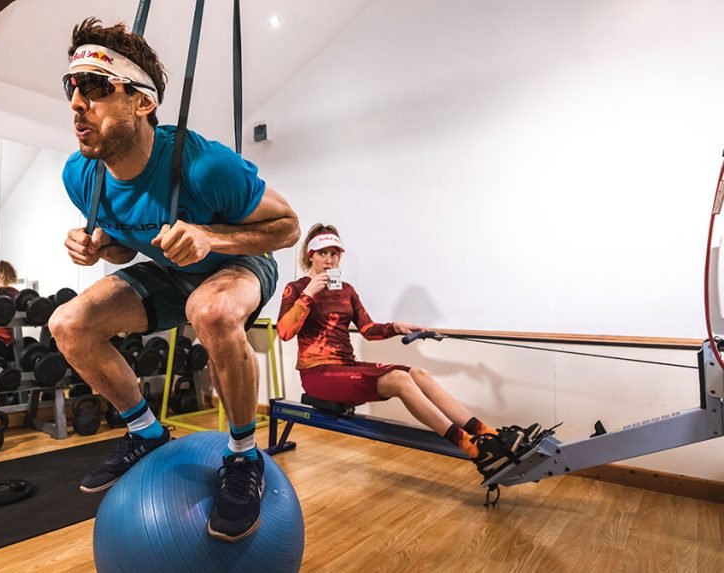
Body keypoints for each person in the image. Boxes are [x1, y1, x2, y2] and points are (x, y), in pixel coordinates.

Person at [48, 18, 300, 542]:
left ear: (142, 102)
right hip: (171, 272)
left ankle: (242, 456)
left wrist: (213, 238)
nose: (77, 103)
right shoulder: (81, 175)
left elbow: (288, 227)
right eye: (72, 87)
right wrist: (98, 248)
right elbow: (125, 242)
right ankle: (145, 431)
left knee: (208, 311)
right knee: (68, 324)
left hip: (238, 265)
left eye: (96, 89)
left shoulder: (205, 166)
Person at [276, 224, 541, 482]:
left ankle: (489, 436)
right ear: (311, 255)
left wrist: (396, 327)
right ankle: (474, 450)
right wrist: (309, 293)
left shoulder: (347, 291)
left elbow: (368, 329)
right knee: (399, 380)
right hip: (318, 373)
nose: (330, 260)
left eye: (335, 254)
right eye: (323, 253)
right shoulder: (297, 289)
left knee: (419, 373)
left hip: (345, 366)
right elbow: (285, 332)